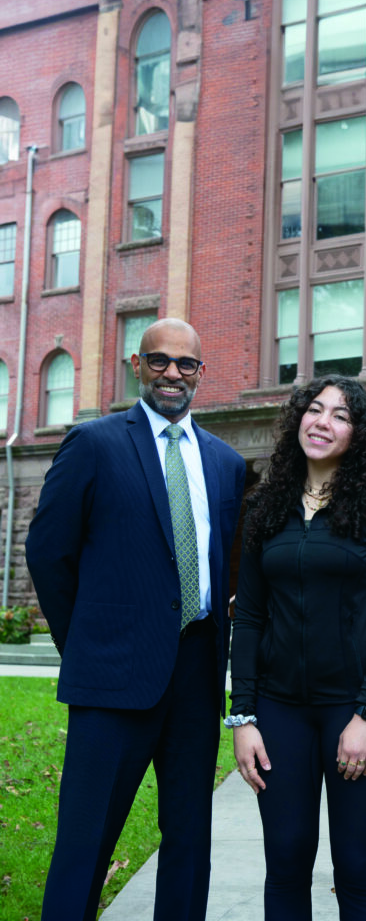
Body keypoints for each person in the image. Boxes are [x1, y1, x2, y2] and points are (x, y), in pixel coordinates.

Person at [25, 317, 247, 921]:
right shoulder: (94, 443)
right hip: (112, 679)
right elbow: (48, 553)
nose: (172, 373)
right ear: (136, 365)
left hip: (197, 675)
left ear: (202, 373)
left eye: (186, 364)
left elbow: (223, 563)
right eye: (159, 361)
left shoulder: (226, 463)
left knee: (188, 841)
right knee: (85, 841)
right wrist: (87, 646)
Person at [230, 375, 366, 920]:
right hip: (280, 711)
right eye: (315, 410)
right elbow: (252, 617)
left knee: (357, 864)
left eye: (340, 415)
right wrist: (242, 716)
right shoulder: (266, 508)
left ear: (356, 436)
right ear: (297, 420)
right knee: (285, 861)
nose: (323, 422)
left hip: (353, 708)